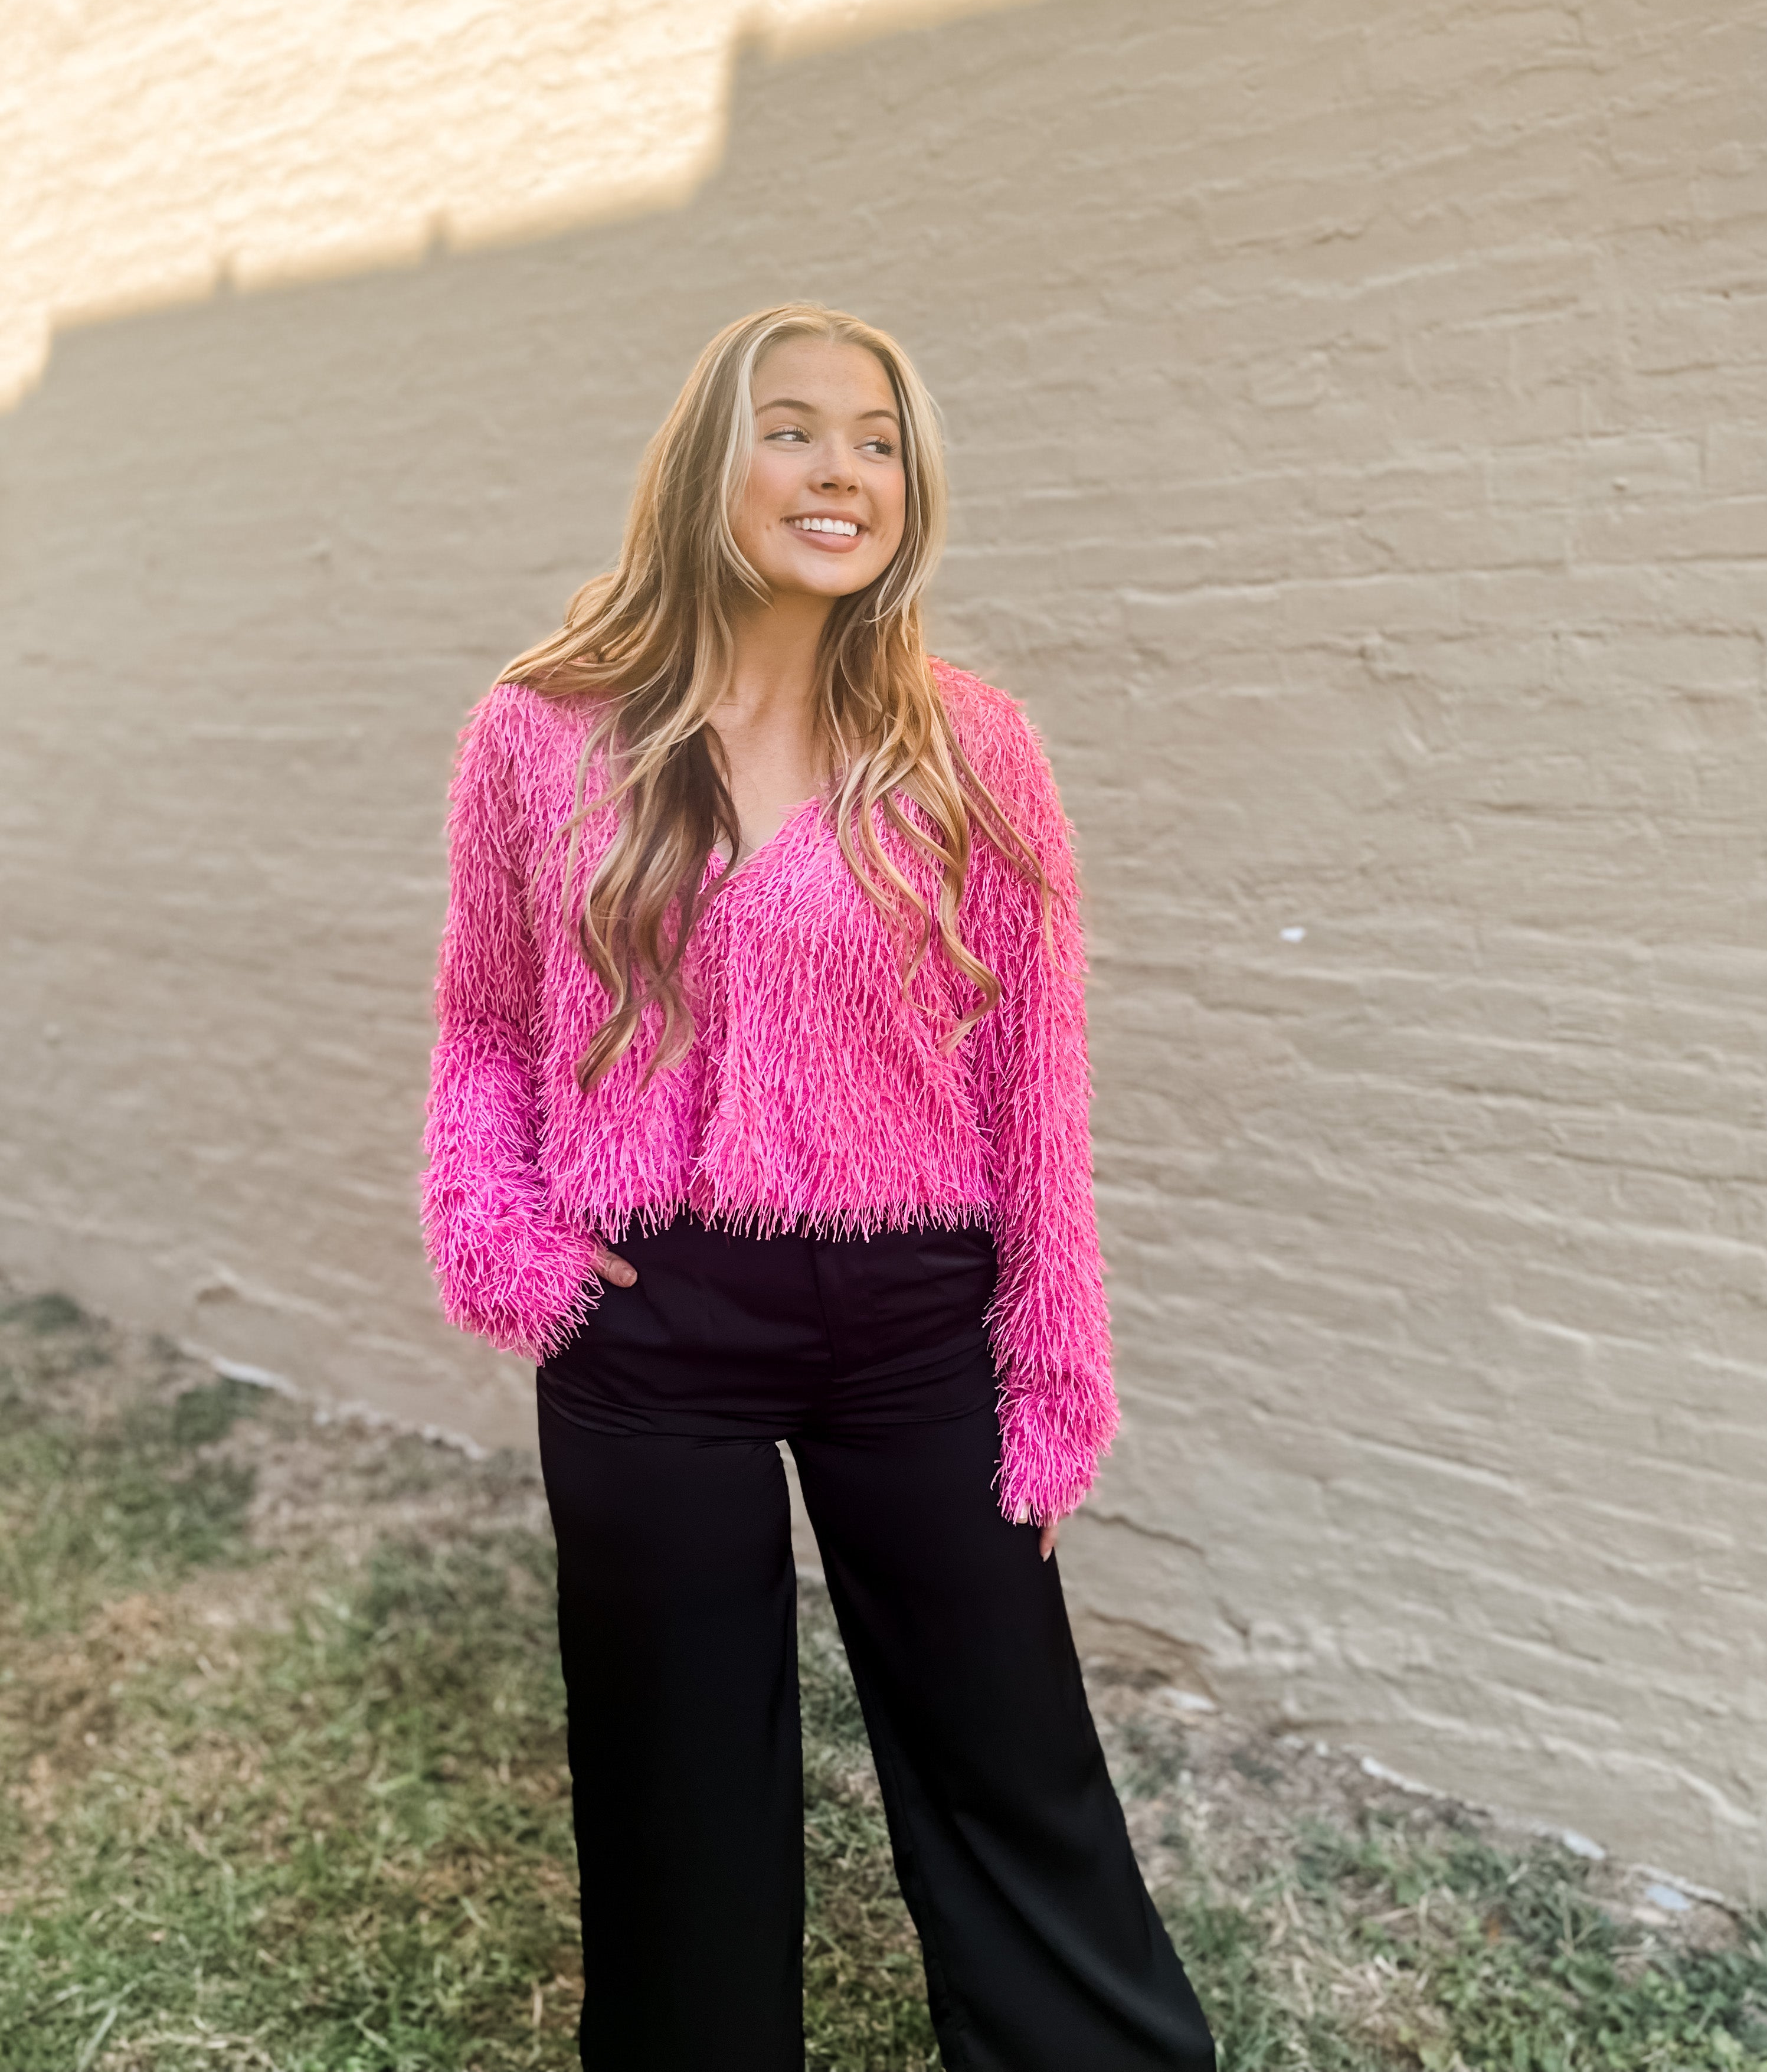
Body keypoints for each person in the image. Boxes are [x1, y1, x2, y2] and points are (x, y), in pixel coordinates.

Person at [420, 302, 1216, 2071]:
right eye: (795, 428)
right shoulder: (542, 732)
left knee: (1013, 1762)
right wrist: (511, 1242)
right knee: (674, 1793)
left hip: (915, 1321)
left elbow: (1035, 1084)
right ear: (716, 459)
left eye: (877, 439)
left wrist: (1053, 1376)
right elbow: (486, 1027)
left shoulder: (971, 744)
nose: (839, 468)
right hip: (649, 1318)